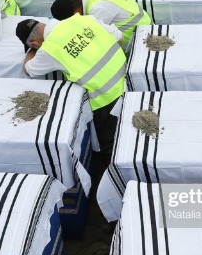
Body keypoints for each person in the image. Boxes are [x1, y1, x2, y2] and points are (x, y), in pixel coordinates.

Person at [15, 14, 126, 176]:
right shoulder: (82, 19)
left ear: (34, 43)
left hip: (106, 98)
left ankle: (118, 176)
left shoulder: (49, 50)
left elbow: (29, 69)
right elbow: (119, 36)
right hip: (127, 78)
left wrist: (33, 50)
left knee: (112, 146)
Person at [50, 0, 151, 48]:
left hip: (140, 34)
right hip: (137, 15)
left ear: (76, 14)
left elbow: (96, 40)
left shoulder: (98, 9)